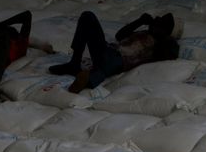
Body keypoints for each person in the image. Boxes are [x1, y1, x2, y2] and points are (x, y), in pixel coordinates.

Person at [48, 11, 180, 93]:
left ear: (166, 31)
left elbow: (172, 54)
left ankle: (88, 80)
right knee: (87, 16)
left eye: (160, 21)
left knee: (106, 66)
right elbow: (120, 35)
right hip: (108, 49)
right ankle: (74, 64)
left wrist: (161, 34)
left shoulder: (163, 44)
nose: (156, 20)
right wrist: (140, 21)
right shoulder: (143, 33)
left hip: (119, 60)